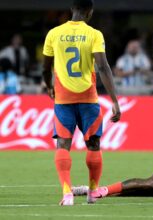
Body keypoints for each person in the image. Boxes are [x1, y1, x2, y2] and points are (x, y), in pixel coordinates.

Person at [42, 0, 121, 206]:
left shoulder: (54, 33)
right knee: (93, 145)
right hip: (88, 99)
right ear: (90, 12)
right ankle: (93, 192)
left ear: (72, 9)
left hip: (63, 99)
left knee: (63, 145)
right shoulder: (94, 34)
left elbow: (45, 67)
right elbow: (103, 67)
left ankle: (67, 194)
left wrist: (48, 85)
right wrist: (114, 101)